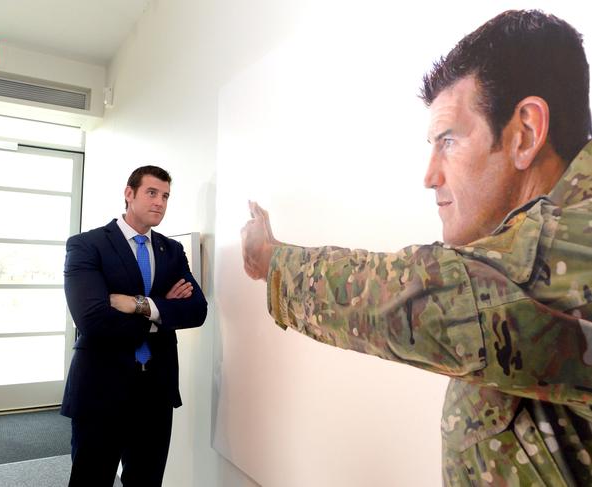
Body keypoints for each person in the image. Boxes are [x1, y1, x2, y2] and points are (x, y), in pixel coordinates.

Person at [241, 10, 592, 486]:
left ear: (525, 132)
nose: (430, 176)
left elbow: (421, 295)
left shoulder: (578, 233)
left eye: (449, 140)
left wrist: (274, 261)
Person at [62, 165, 207, 486]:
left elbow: (197, 310)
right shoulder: (87, 245)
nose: (160, 202)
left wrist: (137, 304)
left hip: (156, 390)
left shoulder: (171, 250)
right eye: (152, 193)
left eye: (166, 196)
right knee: (91, 479)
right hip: (101, 387)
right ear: (129, 194)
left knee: (146, 480)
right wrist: (162, 311)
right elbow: (93, 320)